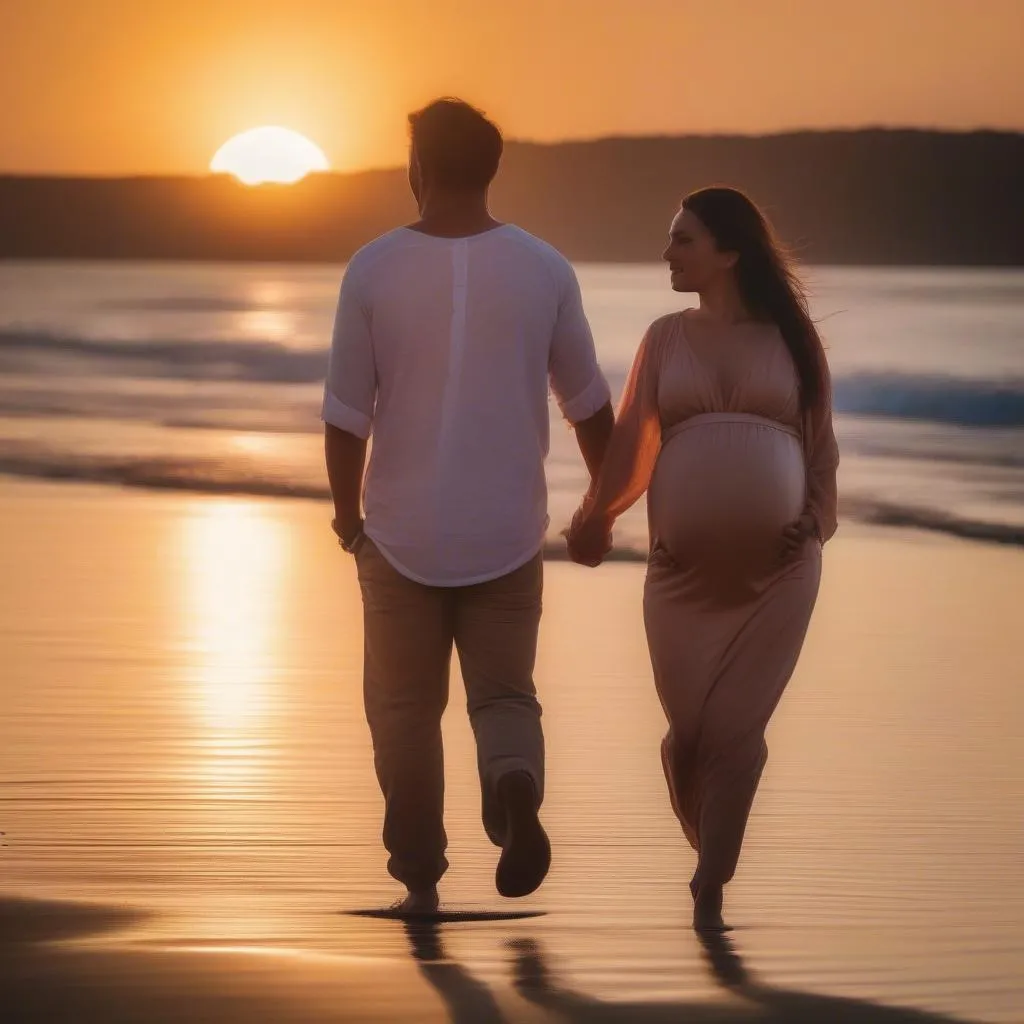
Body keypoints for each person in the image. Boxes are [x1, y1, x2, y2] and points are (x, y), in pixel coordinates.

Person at [323, 98, 614, 915]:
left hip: (403, 531)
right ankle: (515, 791)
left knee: (405, 708)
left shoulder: (372, 268)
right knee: (505, 695)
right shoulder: (545, 268)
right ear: (492, 169)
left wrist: (349, 519)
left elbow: (347, 416)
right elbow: (589, 405)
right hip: (506, 532)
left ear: (417, 168)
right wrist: (604, 508)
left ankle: (420, 870)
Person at [566, 187, 839, 931]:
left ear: (729, 252)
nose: (667, 253)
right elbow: (630, 449)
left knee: (735, 732)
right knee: (689, 735)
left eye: (682, 240)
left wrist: (814, 520)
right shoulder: (665, 338)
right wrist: (595, 519)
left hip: (777, 573)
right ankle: (710, 844)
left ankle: (711, 883)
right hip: (680, 576)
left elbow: (821, 452)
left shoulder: (793, 337)